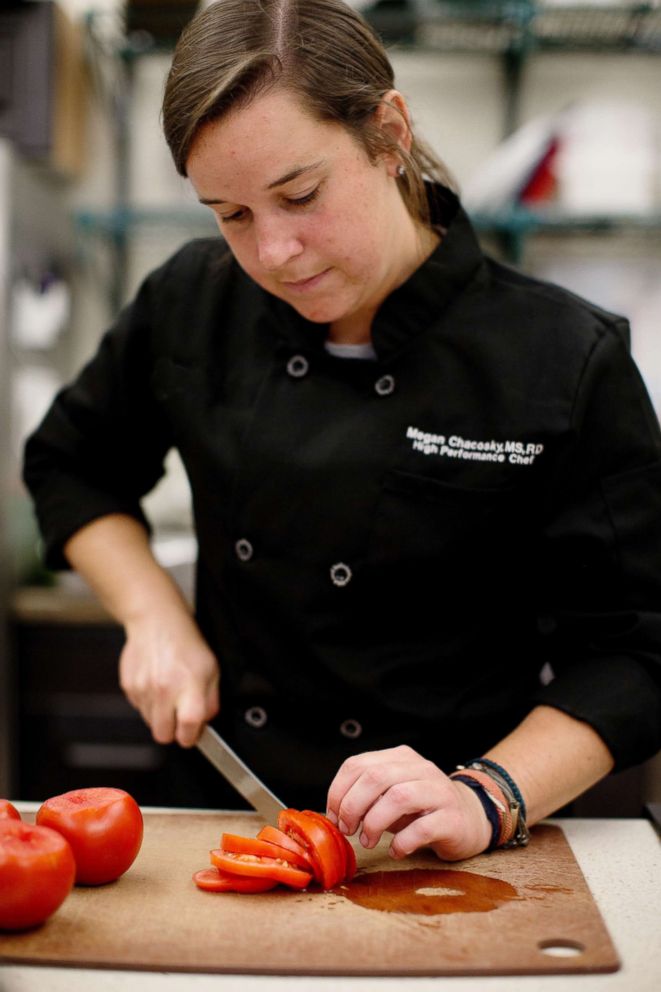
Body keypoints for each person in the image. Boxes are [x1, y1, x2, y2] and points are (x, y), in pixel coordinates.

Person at [23, 0, 661, 863]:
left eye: (300, 194)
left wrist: (488, 794)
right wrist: (152, 616)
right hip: (221, 826)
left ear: (387, 132)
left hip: (448, 851)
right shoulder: (193, 300)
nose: (274, 252)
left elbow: (634, 653)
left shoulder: (562, 356)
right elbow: (73, 464)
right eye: (231, 215)